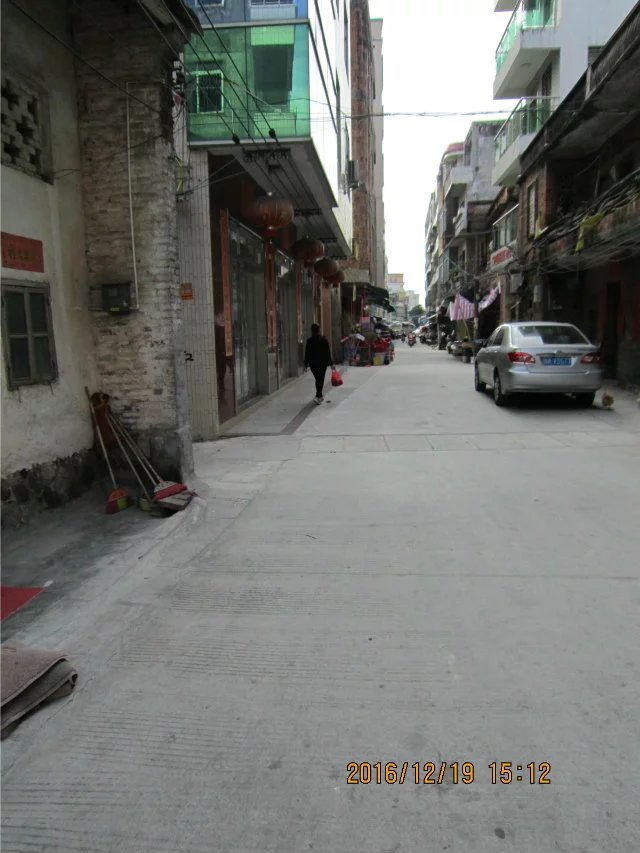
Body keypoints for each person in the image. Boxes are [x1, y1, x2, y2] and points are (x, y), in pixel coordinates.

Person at [304, 323, 334, 404]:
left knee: (318, 379)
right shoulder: (324, 340)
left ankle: (319, 396)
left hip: (313, 364)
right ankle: (319, 396)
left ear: (312, 330)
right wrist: (331, 364)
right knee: (320, 379)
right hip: (322, 364)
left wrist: (306, 364)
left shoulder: (309, 341)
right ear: (319, 330)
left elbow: (307, 353)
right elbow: (327, 353)